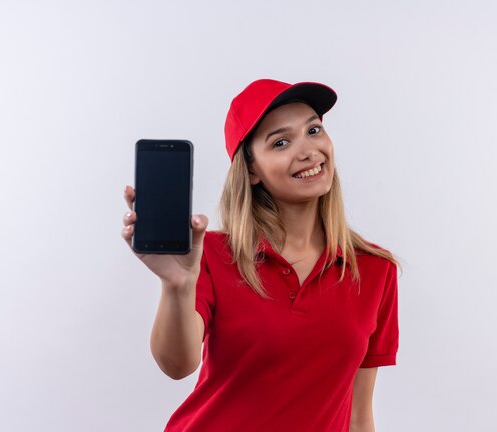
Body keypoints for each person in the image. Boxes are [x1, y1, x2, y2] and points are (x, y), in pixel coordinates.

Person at [121, 79, 399, 431]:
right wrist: (177, 284)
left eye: (313, 130)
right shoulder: (212, 256)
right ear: (251, 170)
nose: (308, 150)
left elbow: (359, 415)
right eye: (281, 142)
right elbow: (177, 365)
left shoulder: (375, 270)